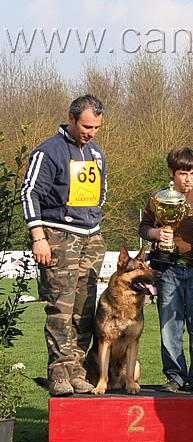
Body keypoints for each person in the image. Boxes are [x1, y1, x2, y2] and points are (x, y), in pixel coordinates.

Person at [20, 94, 108, 396]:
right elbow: (29, 194)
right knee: (61, 308)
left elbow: (101, 193)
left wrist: (91, 218)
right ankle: (59, 374)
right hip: (58, 237)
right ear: (71, 119)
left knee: (85, 310)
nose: (91, 133)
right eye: (86, 127)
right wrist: (39, 236)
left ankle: (78, 372)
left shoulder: (96, 153)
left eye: (96, 128)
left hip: (91, 239)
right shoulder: (48, 151)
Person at [139, 146, 193, 393]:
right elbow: (143, 227)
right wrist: (155, 233)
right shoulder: (158, 197)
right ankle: (174, 377)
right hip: (167, 270)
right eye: (183, 174)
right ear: (171, 173)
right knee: (170, 327)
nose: (188, 179)